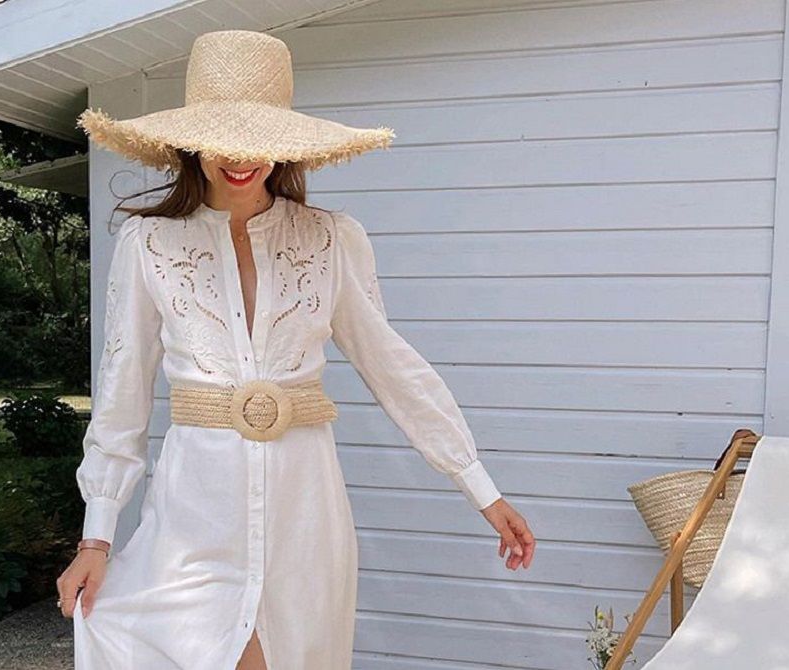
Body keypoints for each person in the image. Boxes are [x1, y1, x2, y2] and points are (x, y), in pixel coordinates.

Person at [56, 29, 536, 670]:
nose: (241, 158)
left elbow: (394, 368)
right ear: (192, 141)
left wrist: (480, 487)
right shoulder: (149, 244)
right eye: (224, 138)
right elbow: (123, 390)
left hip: (304, 510)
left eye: (259, 138)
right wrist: (96, 537)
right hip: (194, 515)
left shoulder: (331, 239)